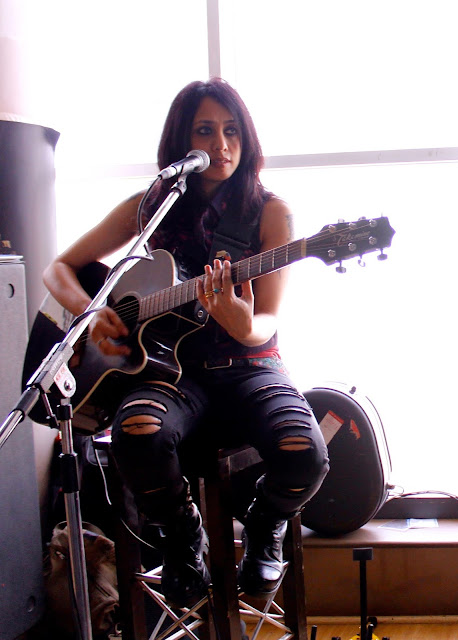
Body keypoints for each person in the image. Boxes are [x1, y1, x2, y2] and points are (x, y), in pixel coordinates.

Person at [43, 78, 329, 608]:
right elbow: (58, 268)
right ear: (181, 141)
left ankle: (265, 526)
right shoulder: (152, 206)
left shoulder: (270, 212)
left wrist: (241, 324)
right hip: (171, 373)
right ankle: (182, 536)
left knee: (304, 455)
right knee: (136, 433)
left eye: (231, 131)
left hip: (250, 366)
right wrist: (92, 312)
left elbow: (266, 318)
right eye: (205, 131)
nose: (221, 145)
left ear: (247, 139)